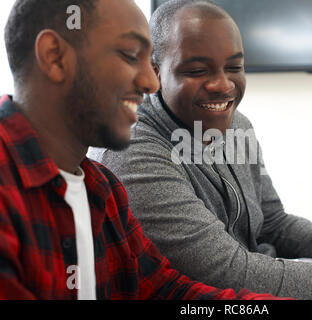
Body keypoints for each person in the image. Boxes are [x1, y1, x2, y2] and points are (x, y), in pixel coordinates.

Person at [0, 0, 288, 300]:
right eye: (129, 55)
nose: (152, 83)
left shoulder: (102, 189)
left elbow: (168, 291)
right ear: (55, 57)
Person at [89, 0, 312, 300]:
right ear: (155, 73)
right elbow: (226, 272)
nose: (223, 85)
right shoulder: (132, 151)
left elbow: (273, 224)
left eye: (234, 67)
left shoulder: (237, 126)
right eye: (197, 70)